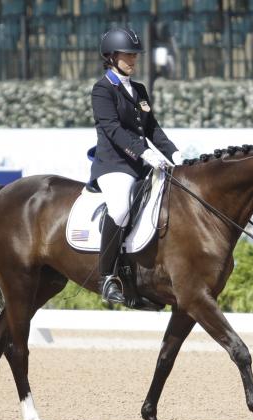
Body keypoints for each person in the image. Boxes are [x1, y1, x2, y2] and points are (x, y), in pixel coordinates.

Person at [91, 27, 183, 306]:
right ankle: (107, 276)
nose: (133, 60)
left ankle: (147, 279)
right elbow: (113, 129)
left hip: (141, 164)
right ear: (111, 56)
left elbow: (152, 128)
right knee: (119, 208)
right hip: (114, 165)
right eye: (127, 55)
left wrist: (175, 154)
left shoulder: (139, 89)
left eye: (135, 55)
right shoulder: (102, 89)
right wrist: (144, 153)